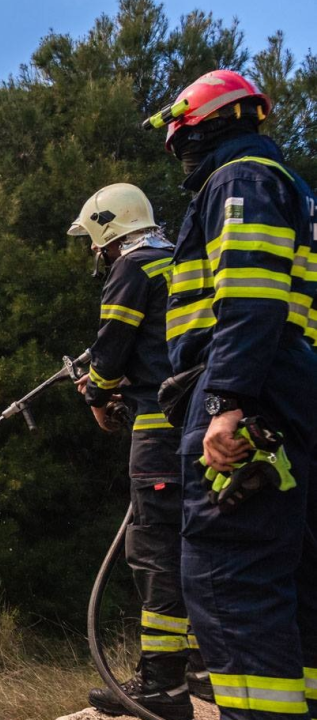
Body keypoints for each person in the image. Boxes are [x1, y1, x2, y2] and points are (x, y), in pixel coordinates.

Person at [146, 68, 317, 719]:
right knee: (291, 586)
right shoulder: (291, 189)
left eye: (178, 131)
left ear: (202, 122)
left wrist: (224, 403)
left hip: (244, 400)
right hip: (286, 401)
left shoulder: (240, 180)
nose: (176, 145)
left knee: (230, 583)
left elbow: (250, 302)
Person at [68, 183, 207, 720]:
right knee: (197, 545)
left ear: (108, 230)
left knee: (154, 554)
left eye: (93, 240)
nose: (94, 253)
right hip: (198, 426)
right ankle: (201, 668)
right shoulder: (181, 259)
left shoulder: (131, 269)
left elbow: (113, 348)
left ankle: (162, 688)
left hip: (157, 434)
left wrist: (99, 392)